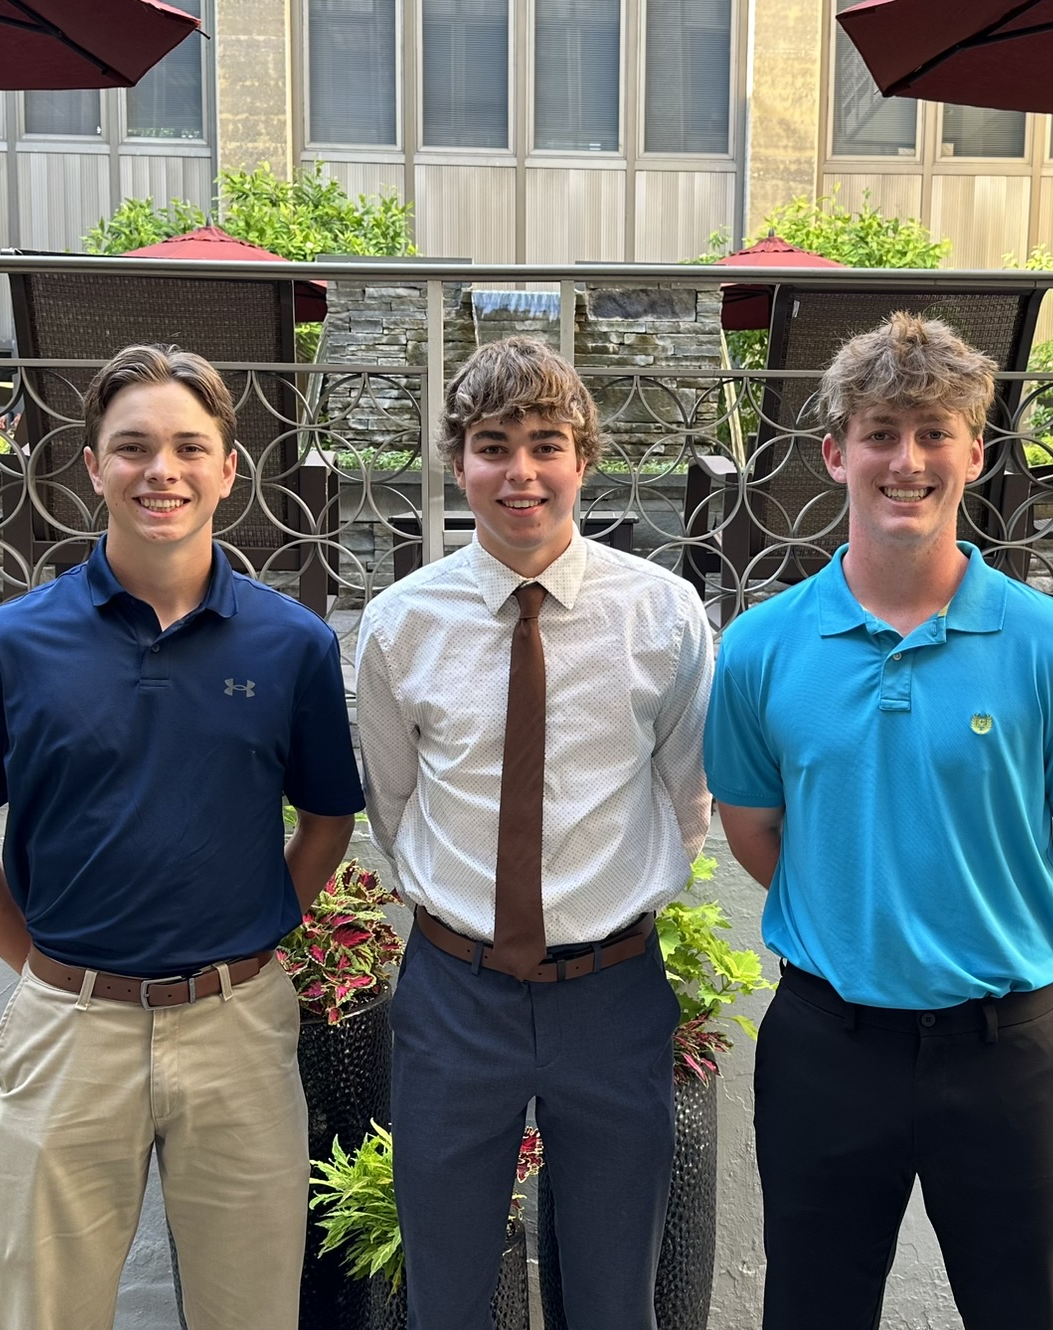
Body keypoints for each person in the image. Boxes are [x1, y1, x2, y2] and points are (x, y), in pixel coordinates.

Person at [705, 312, 1053, 1330]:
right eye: (881, 431)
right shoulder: (762, 647)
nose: (907, 459)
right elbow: (755, 831)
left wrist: (984, 917)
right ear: (836, 453)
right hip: (827, 1047)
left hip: (1008, 1053)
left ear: (975, 452)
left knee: (1035, 1313)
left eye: (935, 431)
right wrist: (860, 914)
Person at [0, 343, 362, 1330]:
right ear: (92, 466)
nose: (161, 470)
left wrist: (266, 920)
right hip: (70, 1025)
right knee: (45, 1310)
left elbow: (330, 816)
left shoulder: (294, 645)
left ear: (229, 468)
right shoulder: (5, 645)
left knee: (251, 1311)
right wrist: (41, 960)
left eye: (188, 447)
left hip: (238, 1023)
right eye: (133, 447)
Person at [355, 336, 715, 1330]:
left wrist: (609, 900)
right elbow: (393, 799)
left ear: (584, 458)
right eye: (492, 444)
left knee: (612, 1297)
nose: (521, 472)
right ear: (457, 460)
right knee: (447, 1293)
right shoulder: (400, 624)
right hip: (454, 994)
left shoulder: (661, 615)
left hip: (610, 992)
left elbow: (687, 795)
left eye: (546, 443)